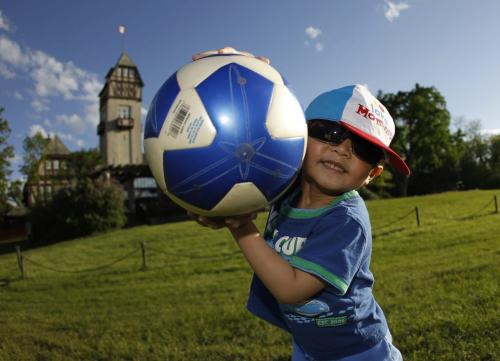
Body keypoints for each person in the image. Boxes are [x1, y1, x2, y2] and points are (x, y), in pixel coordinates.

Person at [190, 50, 409, 361]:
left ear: (372, 174)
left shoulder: (347, 220)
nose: (343, 149)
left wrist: (240, 227)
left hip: (358, 351)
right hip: (308, 347)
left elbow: (291, 290)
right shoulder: (285, 186)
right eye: (329, 132)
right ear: (298, 136)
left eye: (363, 148)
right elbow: (249, 151)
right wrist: (247, 77)